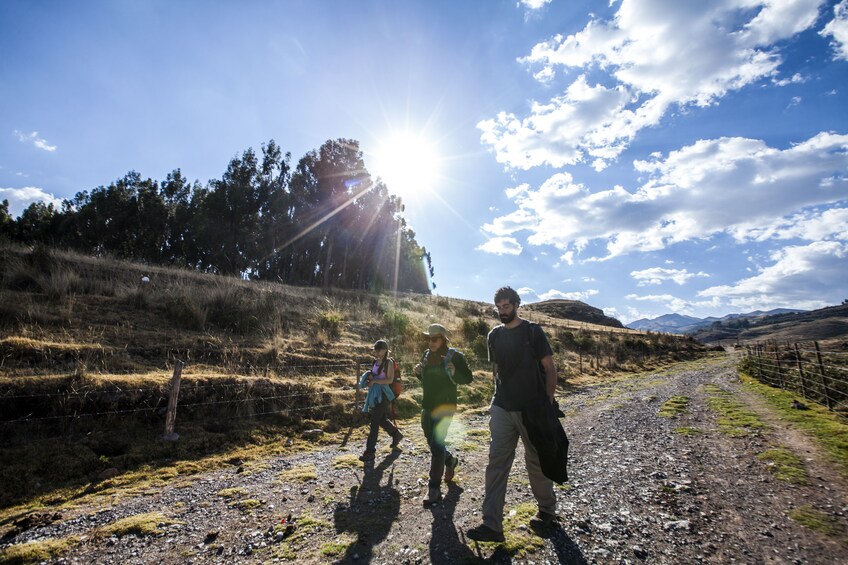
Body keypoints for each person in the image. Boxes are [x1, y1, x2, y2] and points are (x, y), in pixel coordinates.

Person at [467, 286, 560, 543]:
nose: (502, 311)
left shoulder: (533, 331)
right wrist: (493, 399)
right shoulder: (493, 335)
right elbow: (497, 371)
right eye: (499, 307)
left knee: (536, 462)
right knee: (496, 463)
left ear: (517, 305)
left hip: (532, 408)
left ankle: (547, 511)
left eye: (506, 306)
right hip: (502, 408)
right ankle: (492, 525)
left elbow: (550, 368)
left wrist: (548, 402)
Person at [413, 323, 472, 506]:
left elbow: (468, 378)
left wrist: (455, 371)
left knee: (437, 445)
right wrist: (418, 374)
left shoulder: (455, 356)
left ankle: (434, 489)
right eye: (428, 338)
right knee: (431, 442)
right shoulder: (426, 355)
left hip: (445, 407)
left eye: (435, 338)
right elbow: (428, 379)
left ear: (443, 339)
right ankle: (451, 460)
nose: (430, 342)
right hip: (427, 405)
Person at [358, 339, 404, 462]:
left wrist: (375, 380)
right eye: (376, 350)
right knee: (380, 419)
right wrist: (370, 378)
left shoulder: (388, 362)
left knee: (374, 422)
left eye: (380, 350)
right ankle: (396, 434)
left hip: (385, 395)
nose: (377, 352)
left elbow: (389, 380)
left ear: (385, 350)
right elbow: (376, 376)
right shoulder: (375, 362)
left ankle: (370, 452)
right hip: (376, 394)